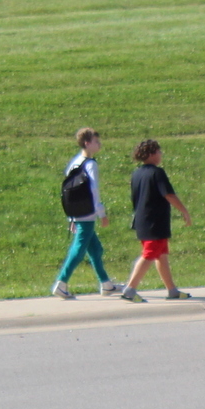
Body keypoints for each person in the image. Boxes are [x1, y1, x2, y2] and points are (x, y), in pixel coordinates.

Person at [52, 128, 122, 300]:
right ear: (87, 143)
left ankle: (106, 284)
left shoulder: (75, 162)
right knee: (79, 248)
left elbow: (67, 191)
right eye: (96, 141)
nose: (99, 144)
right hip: (88, 212)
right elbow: (94, 191)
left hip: (76, 212)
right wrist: (102, 213)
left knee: (95, 248)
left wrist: (71, 217)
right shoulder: (90, 165)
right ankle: (61, 283)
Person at [121, 140, 193, 303]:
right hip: (155, 221)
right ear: (152, 154)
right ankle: (130, 289)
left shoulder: (136, 173)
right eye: (159, 152)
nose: (161, 155)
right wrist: (184, 211)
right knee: (149, 254)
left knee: (161, 255)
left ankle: (172, 290)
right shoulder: (157, 173)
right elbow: (169, 195)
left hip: (142, 219)